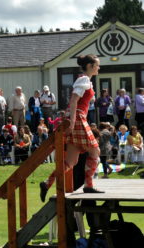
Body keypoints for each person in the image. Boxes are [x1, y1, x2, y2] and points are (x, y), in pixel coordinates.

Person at [40, 54, 103, 202]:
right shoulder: (84, 79)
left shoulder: (85, 81)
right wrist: (73, 121)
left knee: (71, 161)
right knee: (95, 150)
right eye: (97, 65)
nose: (99, 67)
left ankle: (47, 183)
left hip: (76, 116)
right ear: (90, 66)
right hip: (78, 117)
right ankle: (88, 185)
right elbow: (74, 100)